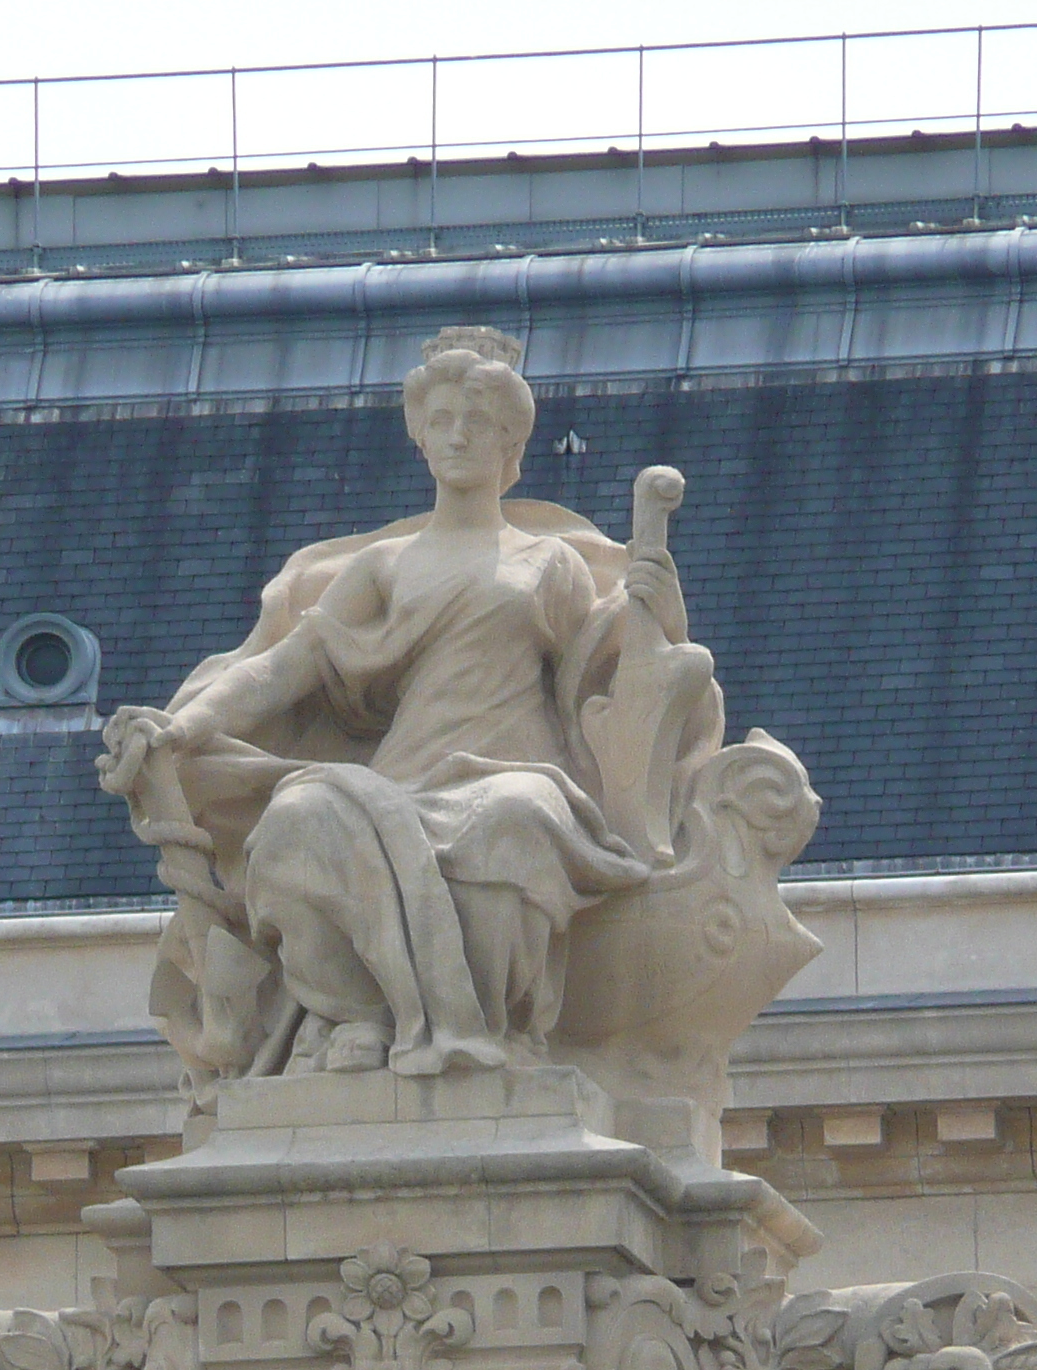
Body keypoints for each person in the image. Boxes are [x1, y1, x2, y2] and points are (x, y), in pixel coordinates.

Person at [99, 328, 695, 1083]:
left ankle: (484, 1030)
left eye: (478, 425)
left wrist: (662, 614)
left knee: (512, 820)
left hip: (512, 769)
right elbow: (284, 668)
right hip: (400, 777)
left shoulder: (551, 563)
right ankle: (362, 1014)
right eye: (442, 421)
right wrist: (181, 729)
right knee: (292, 823)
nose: (457, 437)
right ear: (419, 438)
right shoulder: (383, 566)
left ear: (512, 447)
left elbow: (611, 677)